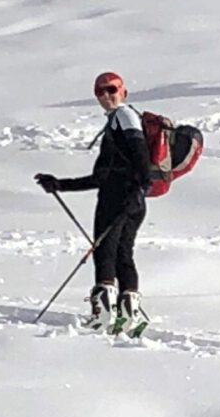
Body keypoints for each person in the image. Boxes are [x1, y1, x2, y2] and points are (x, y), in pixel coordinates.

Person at [36, 71, 154, 335]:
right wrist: (60, 184)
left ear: (123, 91)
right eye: (100, 92)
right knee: (123, 253)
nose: (106, 96)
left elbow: (141, 159)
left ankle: (103, 316)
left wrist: (138, 187)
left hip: (119, 199)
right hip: (131, 200)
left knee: (106, 254)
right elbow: (101, 177)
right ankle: (128, 315)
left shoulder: (123, 117)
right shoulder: (118, 121)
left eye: (111, 90)